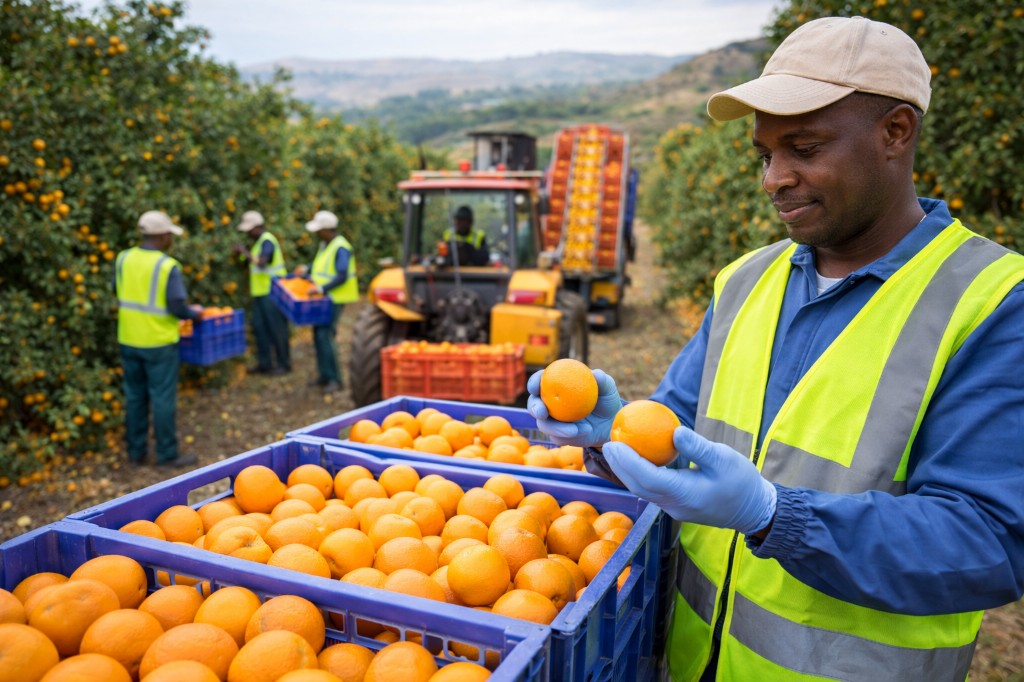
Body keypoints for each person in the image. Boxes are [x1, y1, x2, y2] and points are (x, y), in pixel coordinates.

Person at [527, 16, 1024, 681]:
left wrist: (773, 516)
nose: (774, 178)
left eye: (805, 147)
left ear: (895, 133)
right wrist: (609, 438)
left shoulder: (991, 304)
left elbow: (990, 541)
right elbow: (673, 435)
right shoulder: (746, 279)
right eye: (766, 154)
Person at [114, 210, 204, 468]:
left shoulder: (123, 258)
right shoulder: (166, 265)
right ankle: (166, 455)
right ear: (163, 236)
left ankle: (136, 453)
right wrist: (193, 314)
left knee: (134, 397)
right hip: (158, 342)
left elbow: (117, 290)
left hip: (129, 339)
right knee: (162, 399)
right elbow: (177, 306)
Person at [302, 210, 358, 392]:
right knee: (318, 335)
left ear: (327, 229)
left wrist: (321, 289)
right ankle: (324, 376)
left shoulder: (341, 247)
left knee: (325, 336)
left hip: (334, 298)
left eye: (319, 229)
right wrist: (306, 270)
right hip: (323, 299)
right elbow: (320, 267)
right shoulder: (325, 245)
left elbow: (341, 275)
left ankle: (335, 379)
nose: (316, 233)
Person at [232, 210, 291, 376]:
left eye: (249, 230)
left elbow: (262, 263)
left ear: (257, 227)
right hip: (259, 293)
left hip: (273, 293)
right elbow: (248, 263)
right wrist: (240, 256)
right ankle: (264, 363)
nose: (248, 233)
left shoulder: (267, 241)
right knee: (260, 328)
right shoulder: (256, 243)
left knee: (277, 328)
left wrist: (243, 251)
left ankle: (283, 364)